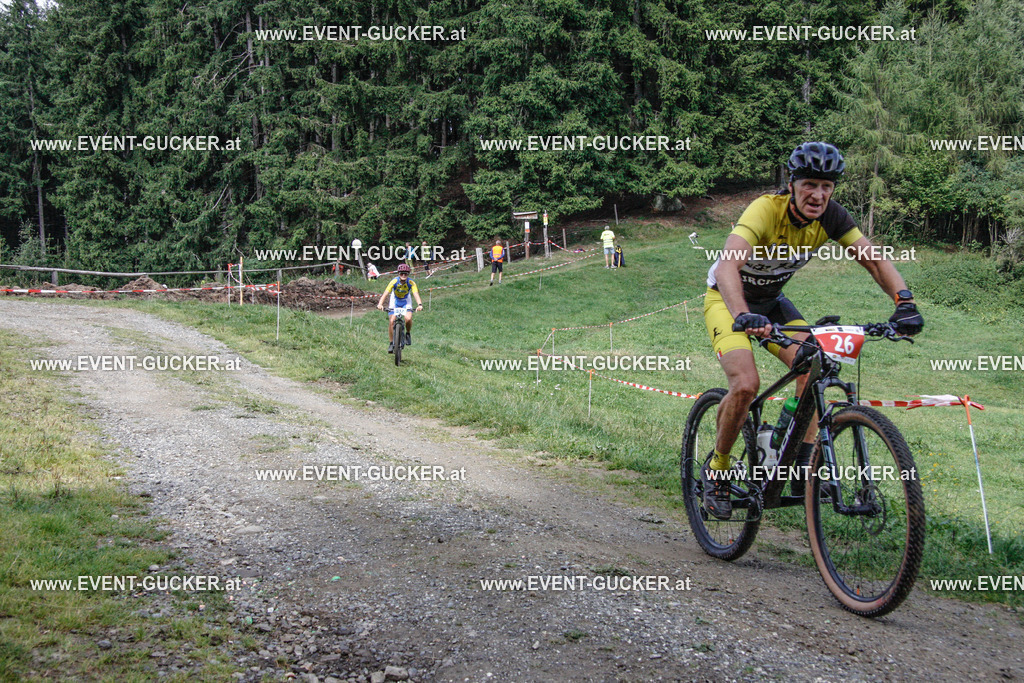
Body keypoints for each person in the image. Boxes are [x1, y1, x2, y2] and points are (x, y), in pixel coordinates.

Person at [701, 141, 924, 520]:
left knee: (813, 367)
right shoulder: (765, 210)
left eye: (826, 186)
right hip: (728, 301)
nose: (818, 195)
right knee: (746, 384)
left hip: (772, 303)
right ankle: (718, 469)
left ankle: (798, 463)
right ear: (792, 184)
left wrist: (904, 302)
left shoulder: (832, 217)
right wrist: (743, 315)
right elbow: (726, 267)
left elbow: (874, 261)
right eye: (809, 185)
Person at [376, 264, 423, 353]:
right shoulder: (394, 281)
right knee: (392, 321)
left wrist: (419, 304)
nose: (403, 275)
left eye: (406, 273)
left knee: (408, 319)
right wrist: (380, 304)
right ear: (398, 274)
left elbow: (415, 294)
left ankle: (408, 333)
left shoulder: (411, 283)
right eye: (402, 273)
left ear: (408, 274)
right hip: (395, 300)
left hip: (406, 300)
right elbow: (386, 293)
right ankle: (391, 343)